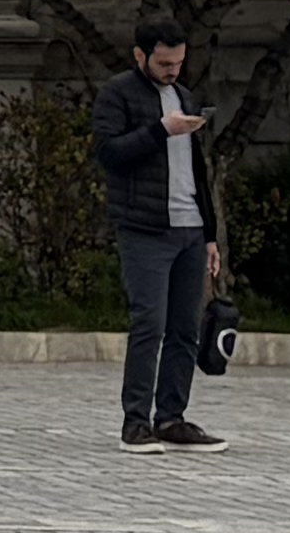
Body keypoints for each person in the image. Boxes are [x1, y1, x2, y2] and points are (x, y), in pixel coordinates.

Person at [87, 23, 229, 451]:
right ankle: (136, 422)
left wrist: (210, 235)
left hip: (190, 228)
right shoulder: (119, 94)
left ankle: (172, 417)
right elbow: (109, 153)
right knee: (149, 323)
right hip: (146, 228)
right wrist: (160, 131)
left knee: (185, 328)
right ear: (140, 56)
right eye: (164, 62)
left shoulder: (185, 97)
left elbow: (199, 173)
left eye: (179, 62)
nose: (172, 70)